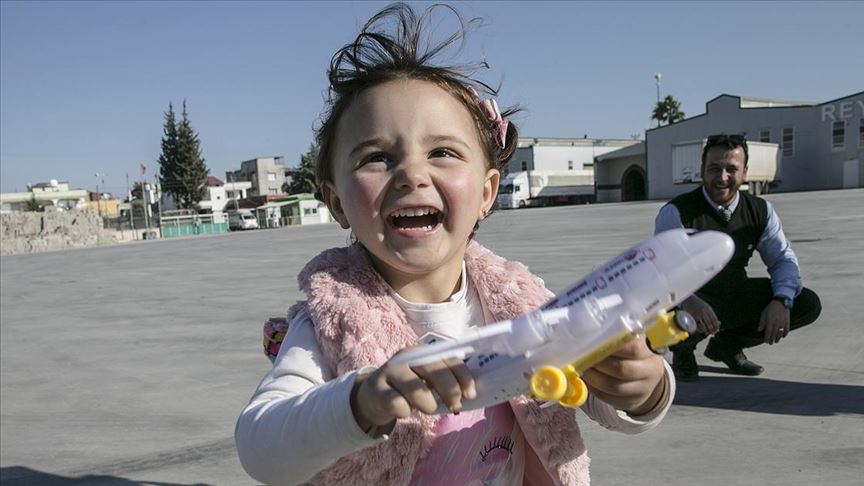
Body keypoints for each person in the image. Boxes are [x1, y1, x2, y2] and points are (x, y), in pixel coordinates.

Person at [236, 4, 675, 485]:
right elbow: (262, 448)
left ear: (487, 193)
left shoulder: (518, 303)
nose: (412, 175)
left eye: (442, 152)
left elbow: (595, 393)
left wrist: (644, 387)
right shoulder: (330, 322)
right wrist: (360, 401)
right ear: (337, 203)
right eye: (377, 157)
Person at [655, 134, 821, 382]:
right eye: (714, 169)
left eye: (731, 169)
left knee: (806, 303)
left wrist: (782, 300)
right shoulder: (676, 212)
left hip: (733, 292)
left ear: (744, 172)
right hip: (691, 299)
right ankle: (682, 350)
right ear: (702, 171)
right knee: (663, 307)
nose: (722, 178)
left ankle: (727, 346)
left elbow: (782, 259)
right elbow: (660, 272)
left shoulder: (761, 211)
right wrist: (688, 300)